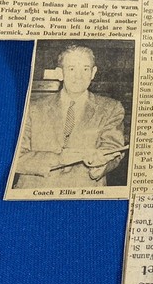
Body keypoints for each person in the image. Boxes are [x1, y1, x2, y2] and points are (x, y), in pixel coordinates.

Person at [12, 45, 126, 189]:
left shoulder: (111, 108)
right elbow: (16, 157)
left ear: (93, 72)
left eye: (85, 69)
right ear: (60, 73)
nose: (78, 76)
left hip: (84, 191)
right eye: (71, 69)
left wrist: (102, 166)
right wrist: (59, 159)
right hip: (35, 190)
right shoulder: (32, 109)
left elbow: (113, 148)